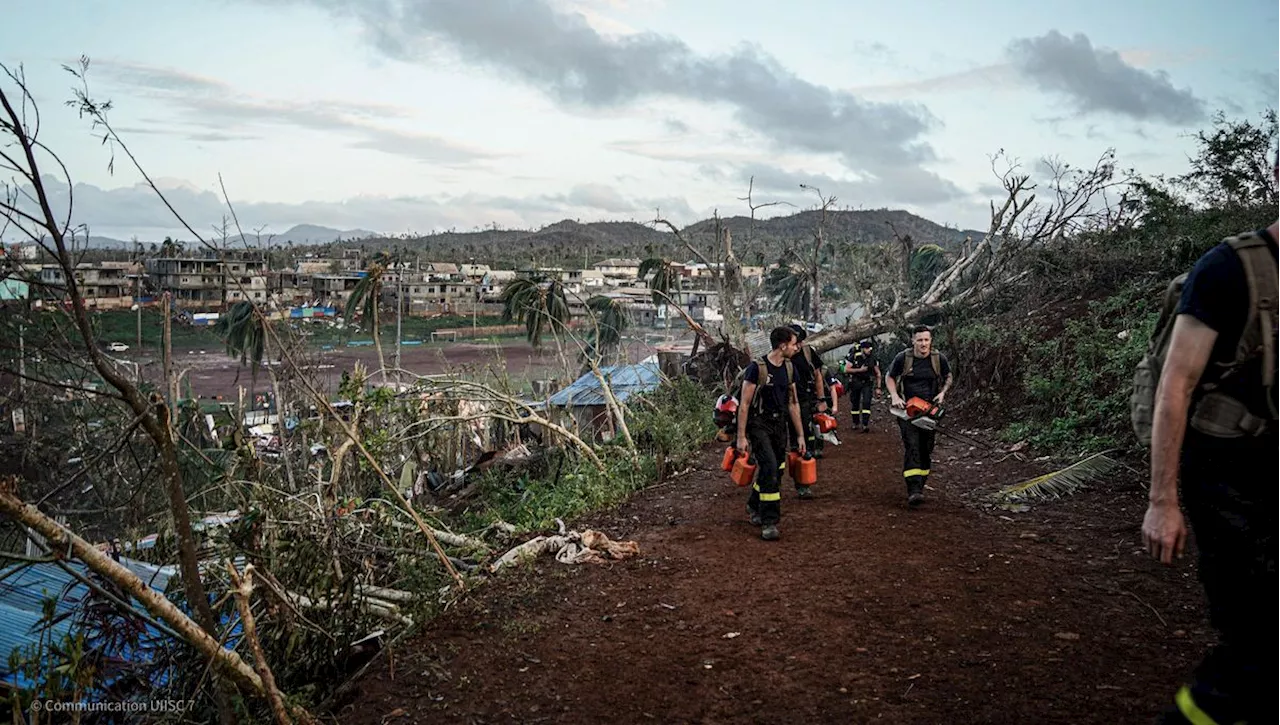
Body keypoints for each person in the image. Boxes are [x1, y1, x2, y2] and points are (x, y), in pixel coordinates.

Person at [1142, 219, 1279, 725]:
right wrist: (1163, 501)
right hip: (1228, 479)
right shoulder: (1229, 269)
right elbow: (1175, 385)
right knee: (1258, 645)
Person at [736, 326, 807, 541]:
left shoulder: (789, 369)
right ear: (782, 345)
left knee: (777, 469)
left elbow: (793, 404)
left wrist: (801, 435)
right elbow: (745, 404)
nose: (797, 348)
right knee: (769, 467)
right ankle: (769, 521)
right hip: (759, 424)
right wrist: (741, 436)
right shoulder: (756, 369)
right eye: (794, 343)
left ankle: (753, 504)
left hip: (780, 425)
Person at [885, 325, 952, 508]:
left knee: (926, 448)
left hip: (930, 411)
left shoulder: (939, 359)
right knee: (912, 445)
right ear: (913, 340)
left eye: (926, 340)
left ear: (931, 341)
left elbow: (948, 376)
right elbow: (890, 377)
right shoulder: (903, 358)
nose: (923, 344)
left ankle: (920, 484)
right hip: (907, 412)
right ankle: (913, 490)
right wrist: (895, 396)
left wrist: (943, 393)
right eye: (920, 340)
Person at [786, 323, 829, 471]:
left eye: (800, 342)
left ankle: (809, 454)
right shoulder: (779, 358)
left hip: (804, 399)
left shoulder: (807, 352)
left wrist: (821, 399)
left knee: (806, 428)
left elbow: (817, 375)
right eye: (795, 343)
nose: (798, 346)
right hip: (784, 402)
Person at [843, 339, 881, 432]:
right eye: (867, 348)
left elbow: (878, 373)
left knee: (866, 402)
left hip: (867, 382)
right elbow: (846, 369)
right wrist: (859, 370)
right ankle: (855, 423)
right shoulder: (854, 356)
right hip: (856, 382)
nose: (869, 350)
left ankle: (865, 424)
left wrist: (878, 388)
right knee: (855, 403)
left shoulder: (872, 358)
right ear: (863, 349)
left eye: (870, 348)